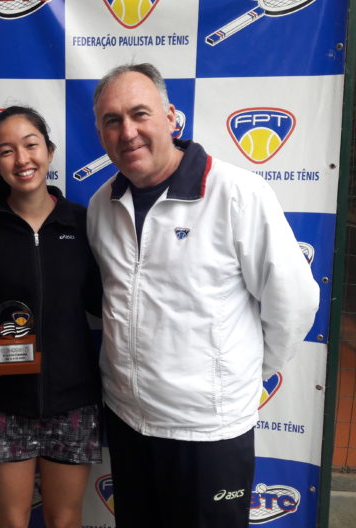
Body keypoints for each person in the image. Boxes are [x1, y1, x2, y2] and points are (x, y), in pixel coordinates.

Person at [87, 63, 320, 528]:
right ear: (101, 133)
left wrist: (241, 375)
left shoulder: (237, 194)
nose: (127, 132)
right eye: (112, 121)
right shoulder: (102, 205)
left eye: (139, 114)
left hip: (208, 432)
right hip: (128, 419)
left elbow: (293, 302)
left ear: (171, 117)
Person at [0, 106, 102, 528]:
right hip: (3, 400)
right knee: (10, 518)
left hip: (74, 398)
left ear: (50, 150)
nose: (22, 159)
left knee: (64, 518)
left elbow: (101, 302)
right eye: (7, 151)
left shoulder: (82, 221)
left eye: (31, 145)